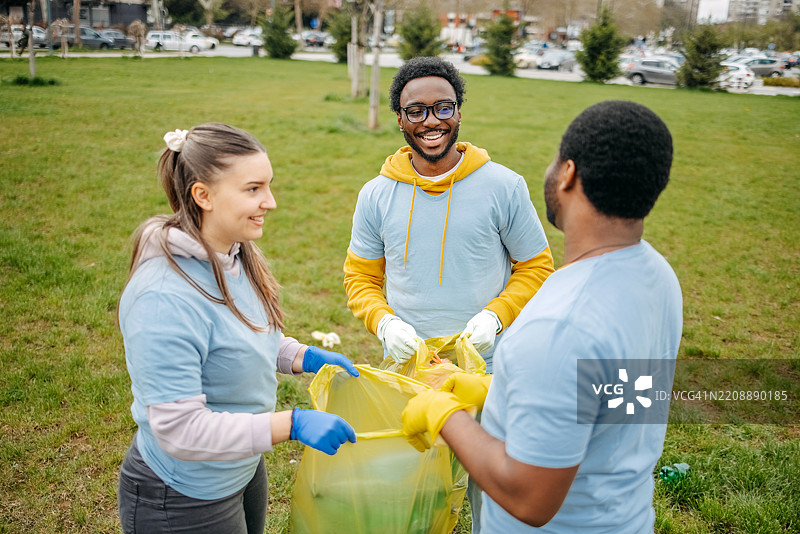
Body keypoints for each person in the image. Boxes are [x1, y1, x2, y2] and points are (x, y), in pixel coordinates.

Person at [402, 100, 683, 532]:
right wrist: (496, 390)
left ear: (568, 173)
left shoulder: (559, 325)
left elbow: (529, 498)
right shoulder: (656, 275)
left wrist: (445, 414)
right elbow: (619, 397)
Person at [343, 56, 554, 532]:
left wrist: (496, 316)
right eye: (416, 111)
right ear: (399, 118)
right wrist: (385, 323)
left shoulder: (504, 185)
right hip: (410, 367)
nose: (431, 121)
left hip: (489, 367)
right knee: (411, 489)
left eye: (444, 107)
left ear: (459, 112)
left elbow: (537, 266)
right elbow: (360, 279)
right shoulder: (375, 195)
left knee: (493, 489)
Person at [117, 123, 359, 534]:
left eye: (269, 186)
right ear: (203, 195)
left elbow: (241, 334)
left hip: (241, 468)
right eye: (253, 189)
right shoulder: (162, 298)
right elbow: (180, 430)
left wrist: (300, 356)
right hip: (182, 495)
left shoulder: (232, 254)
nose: (271, 202)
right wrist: (292, 424)